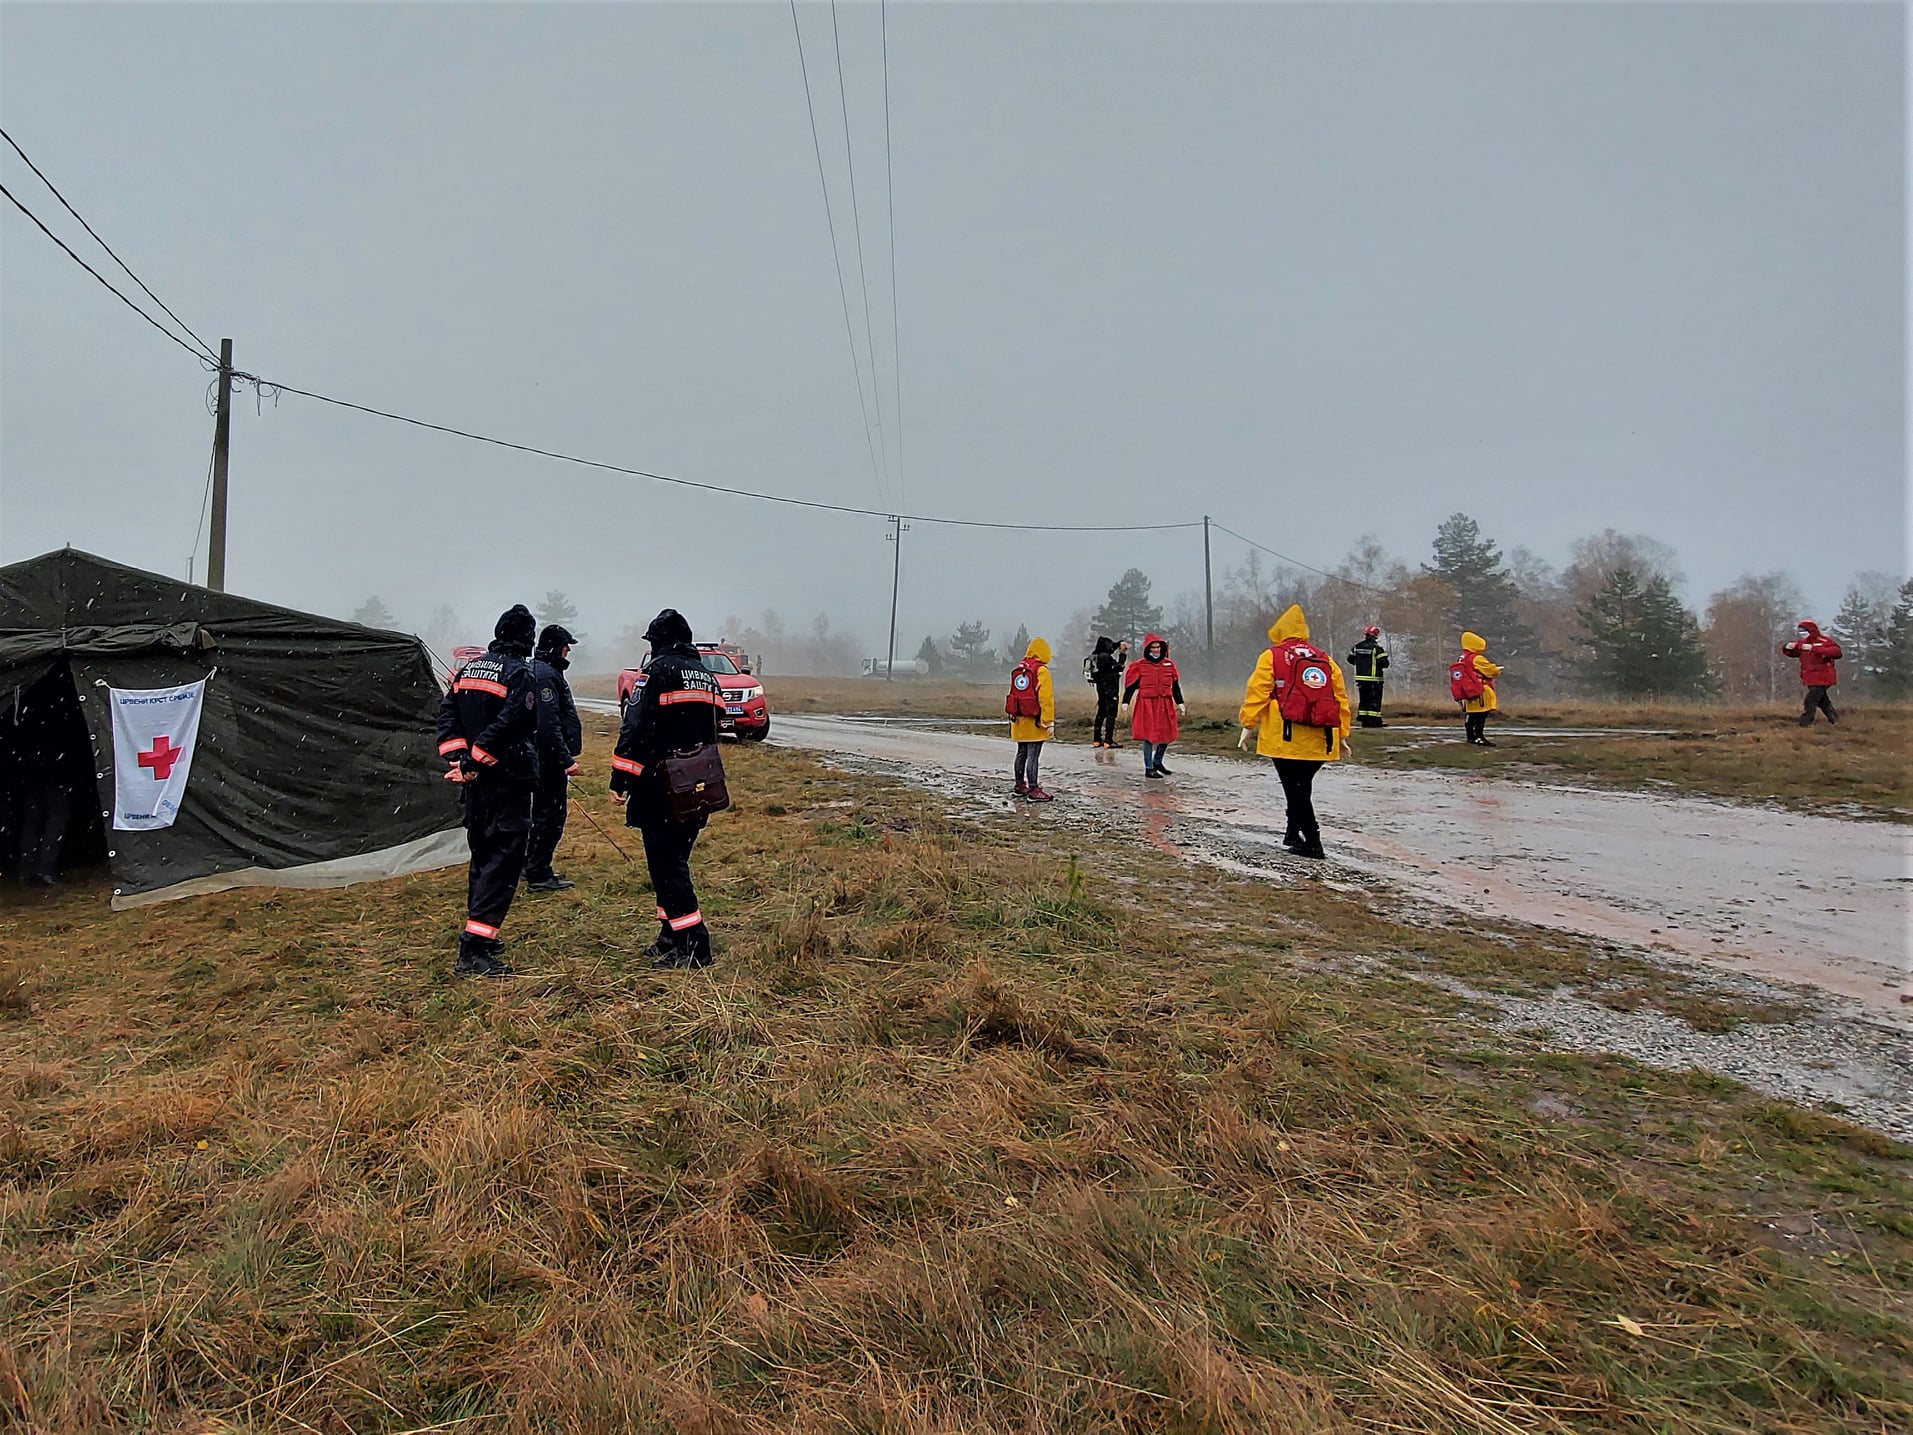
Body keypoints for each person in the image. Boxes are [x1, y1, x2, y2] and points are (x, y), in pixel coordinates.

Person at [610, 609, 724, 969]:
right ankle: (670, 937)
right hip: (698, 786)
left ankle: (694, 946)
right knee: (673, 863)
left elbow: (635, 728)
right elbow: (716, 720)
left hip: (661, 787)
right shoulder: (706, 675)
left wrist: (621, 777)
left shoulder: (656, 673)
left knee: (668, 868)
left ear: (658, 642)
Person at [436, 604, 540, 977]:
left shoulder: (469, 670)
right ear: (527, 638)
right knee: (503, 862)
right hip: (507, 781)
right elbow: (512, 724)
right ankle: (475, 950)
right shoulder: (519, 674)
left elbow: (446, 714)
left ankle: (480, 934)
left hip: (477, 785)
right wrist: (474, 762)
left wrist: (460, 758)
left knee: (482, 855)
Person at [1237, 604, 1351, 859]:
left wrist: (1248, 725)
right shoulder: (1325, 658)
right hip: (1322, 735)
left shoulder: (1272, 656)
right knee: (1302, 785)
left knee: (1294, 789)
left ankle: (1313, 841)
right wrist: (1342, 735)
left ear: (1279, 630)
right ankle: (1292, 834)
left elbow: (1258, 692)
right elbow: (1340, 698)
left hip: (1284, 734)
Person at [525, 623, 583, 892]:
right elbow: (548, 725)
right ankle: (539, 873)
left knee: (540, 814)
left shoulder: (544, 671)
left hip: (540, 756)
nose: (568, 650)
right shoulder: (546, 676)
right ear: (555, 647)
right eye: (565, 646)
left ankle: (530, 865)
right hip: (547, 760)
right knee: (550, 817)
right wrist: (565, 760)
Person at [1121, 633, 1185, 778]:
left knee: (1167, 733)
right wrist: (1125, 701)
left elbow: (1175, 686)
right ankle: (1149, 767)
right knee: (1148, 735)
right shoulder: (1140, 666)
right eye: (1153, 647)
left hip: (1165, 703)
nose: (1156, 650)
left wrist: (1180, 702)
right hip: (1147, 704)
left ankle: (1157, 761)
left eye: (1158, 647)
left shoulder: (1169, 665)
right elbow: (1131, 686)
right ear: (1147, 649)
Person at [1008, 636, 1056, 801]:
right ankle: (1034, 789)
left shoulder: (1020, 668)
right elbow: (1046, 698)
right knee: (1033, 755)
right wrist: (1048, 722)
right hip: (1035, 720)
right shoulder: (1041, 671)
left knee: (1021, 753)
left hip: (1019, 719)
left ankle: (1019, 785)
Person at [1782, 620, 1842, 726]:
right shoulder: (1802, 643)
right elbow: (1794, 653)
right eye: (1800, 631)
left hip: (1823, 677)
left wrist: (1814, 648)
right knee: (1823, 701)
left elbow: (1837, 653)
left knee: (1811, 700)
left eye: (1804, 631)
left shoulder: (1825, 641)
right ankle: (1835, 720)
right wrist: (1787, 647)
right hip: (1809, 677)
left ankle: (1805, 723)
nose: (1802, 633)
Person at [1451, 631, 1502, 746]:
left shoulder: (1462, 658)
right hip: (1479, 691)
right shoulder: (1477, 659)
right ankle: (1479, 737)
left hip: (1467, 690)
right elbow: (1491, 671)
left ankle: (1471, 737)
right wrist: (1496, 670)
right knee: (1481, 715)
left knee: (1471, 715)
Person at [1346, 625, 1390, 728]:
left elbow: (1350, 659)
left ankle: (1364, 720)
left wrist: (1361, 664)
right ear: (1375, 636)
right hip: (1374, 679)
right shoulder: (1377, 649)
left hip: (1361, 679)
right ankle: (1375, 721)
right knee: (1374, 700)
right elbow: (1385, 663)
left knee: (1364, 699)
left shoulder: (1357, 647)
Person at [1086, 636, 1124, 748]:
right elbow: (1119, 667)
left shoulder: (1096, 656)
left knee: (1101, 712)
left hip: (1100, 687)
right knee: (1111, 713)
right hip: (1110, 687)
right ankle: (1108, 740)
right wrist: (1123, 655)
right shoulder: (1106, 657)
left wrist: (1119, 644)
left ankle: (1097, 739)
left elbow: (1111, 648)